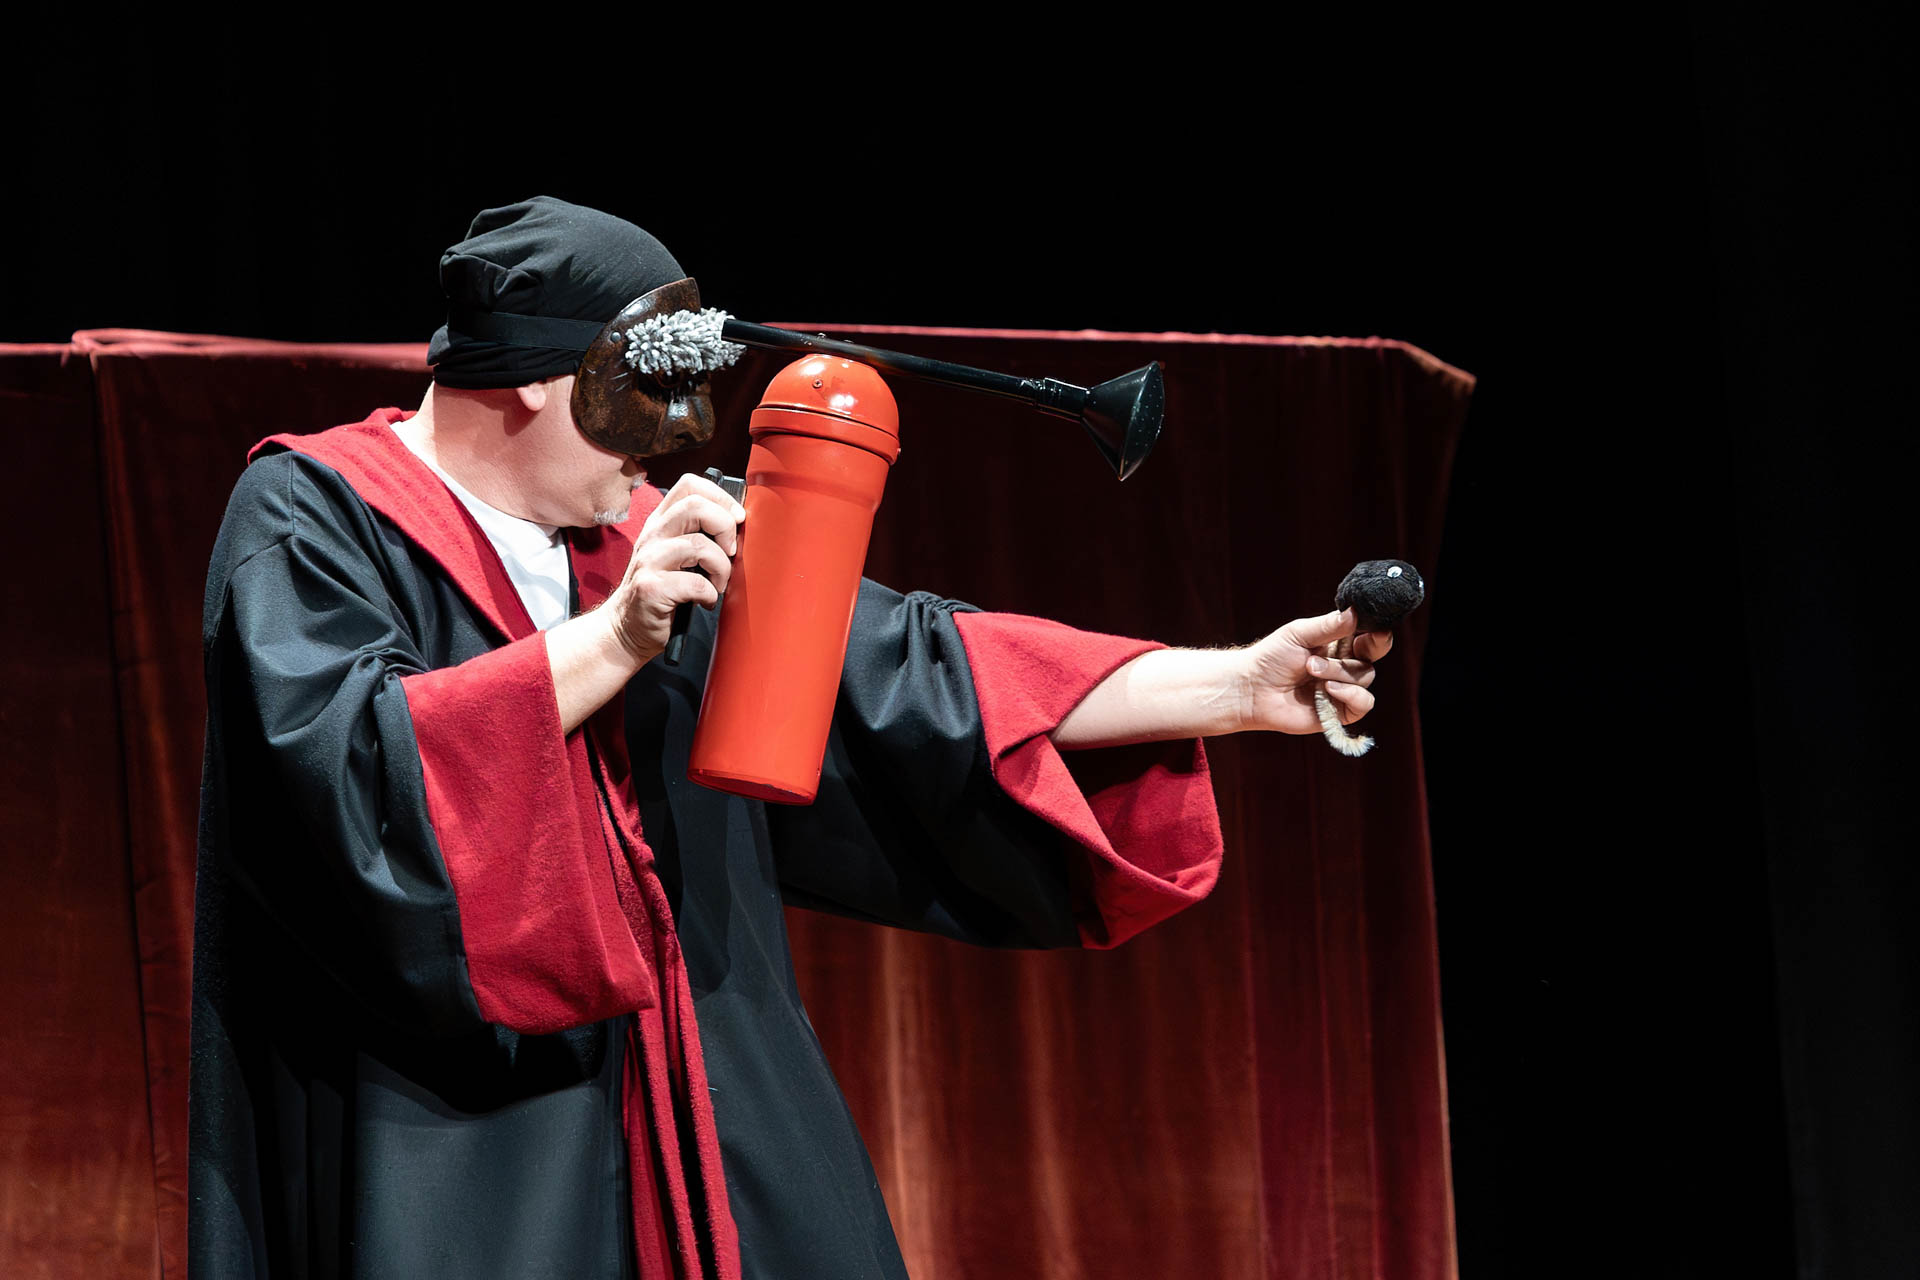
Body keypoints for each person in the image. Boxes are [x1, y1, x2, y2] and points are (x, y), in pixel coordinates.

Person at [188, 197, 1392, 1279]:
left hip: (707, 1077)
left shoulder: (645, 535)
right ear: (539, 384)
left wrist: (1238, 684)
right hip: (462, 1117)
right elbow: (349, 769)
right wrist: (614, 639)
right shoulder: (314, 513)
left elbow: (923, 670)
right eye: (639, 399)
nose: (664, 444)